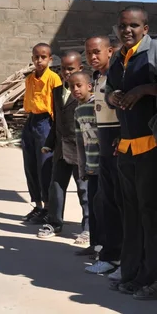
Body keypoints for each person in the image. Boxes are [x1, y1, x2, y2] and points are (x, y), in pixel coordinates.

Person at [105, 6, 157, 300]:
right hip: (126, 148)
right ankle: (133, 274)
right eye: (123, 26)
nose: (127, 30)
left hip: (150, 147)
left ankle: (152, 279)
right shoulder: (118, 58)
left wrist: (147, 89)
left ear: (145, 29)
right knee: (132, 215)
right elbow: (110, 90)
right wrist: (111, 96)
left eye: (134, 26)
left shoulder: (153, 52)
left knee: (151, 216)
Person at [36, 52, 90, 247]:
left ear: (80, 69)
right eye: (62, 69)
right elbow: (57, 121)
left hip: (79, 149)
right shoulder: (57, 91)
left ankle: (88, 227)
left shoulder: (84, 94)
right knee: (56, 187)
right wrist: (49, 143)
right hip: (60, 148)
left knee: (84, 190)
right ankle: (54, 222)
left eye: (70, 69)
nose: (66, 73)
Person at [84, 36, 123, 277]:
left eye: (97, 52)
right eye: (88, 53)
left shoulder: (117, 77)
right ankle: (109, 255)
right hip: (104, 146)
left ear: (110, 51)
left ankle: (121, 258)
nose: (92, 57)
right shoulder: (98, 78)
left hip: (120, 144)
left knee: (121, 204)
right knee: (105, 202)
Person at [21, 43, 62, 222]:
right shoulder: (29, 79)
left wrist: (56, 131)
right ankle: (37, 204)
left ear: (50, 59)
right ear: (32, 59)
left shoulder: (54, 79)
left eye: (43, 57)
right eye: (36, 57)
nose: (39, 60)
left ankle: (47, 206)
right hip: (31, 121)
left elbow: (58, 106)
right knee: (30, 164)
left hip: (46, 122)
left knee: (44, 165)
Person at [70, 72, 102, 260]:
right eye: (71, 86)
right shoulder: (78, 111)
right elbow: (80, 141)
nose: (75, 90)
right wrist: (82, 168)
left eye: (78, 85)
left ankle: (104, 248)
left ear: (89, 86)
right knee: (93, 206)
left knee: (103, 208)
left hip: (103, 164)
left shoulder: (98, 105)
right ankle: (94, 244)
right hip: (90, 166)